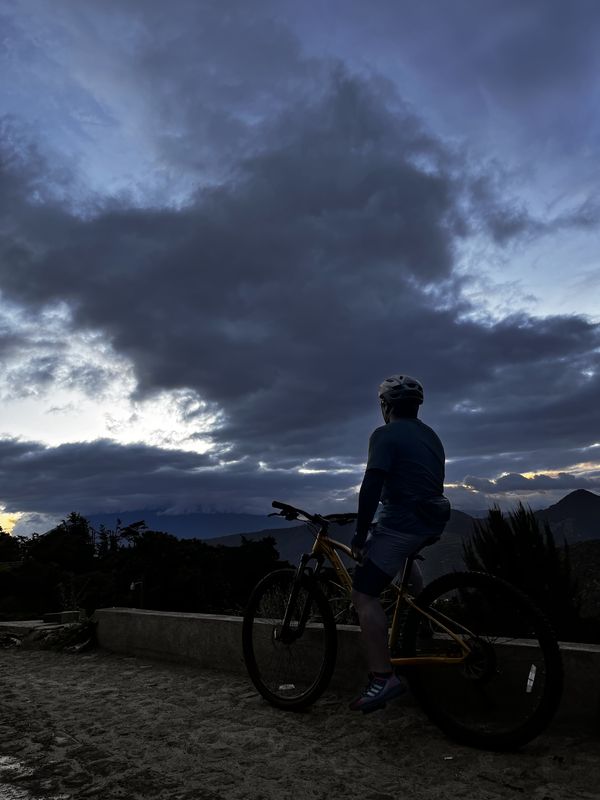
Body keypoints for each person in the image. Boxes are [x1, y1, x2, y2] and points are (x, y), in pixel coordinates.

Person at [349, 374, 450, 713]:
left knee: (364, 594)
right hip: (431, 521)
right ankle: (422, 623)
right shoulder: (430, 435)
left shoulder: (384, 435)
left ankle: (383, 678)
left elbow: (372, 485)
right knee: (406, 567)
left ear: (386, 406)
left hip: (403, 523)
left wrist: (361, 534)